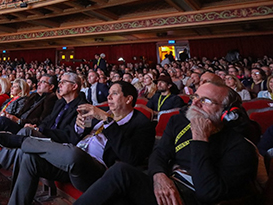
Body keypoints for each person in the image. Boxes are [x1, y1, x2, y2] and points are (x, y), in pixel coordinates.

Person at [74, 83, 259, 205]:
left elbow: (208, 193)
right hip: (165, 185)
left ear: (228, 112)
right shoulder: (179, 122)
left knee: (119, 178)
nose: (196, 104)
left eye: (206, 101)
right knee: (117, 186)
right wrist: (159, 175)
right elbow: (159, 154)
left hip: (189, 198)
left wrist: (200, 138)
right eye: (195, 98)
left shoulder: (241, 147)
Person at [3, 81, 155, 205]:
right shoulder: (99, 116)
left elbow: (131, 157)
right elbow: (72, 138)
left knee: (75, 154)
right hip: (70, 160)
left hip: (96, 171)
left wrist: (107, 120)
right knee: (31, 159)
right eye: (108, 93)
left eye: (114, 93)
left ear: (128, 99)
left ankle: (25, 141)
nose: (108, 97)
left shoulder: (141, 124)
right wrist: (78, 127)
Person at [0, 72, 83, 196]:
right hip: (30, 129)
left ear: (74, 86)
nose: (59, 85)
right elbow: (47, 121)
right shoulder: (54, 101)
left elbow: (67, 134)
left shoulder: (77, 105)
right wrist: (37, 127)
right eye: (59, 82)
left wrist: (36, 128)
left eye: (63, 82)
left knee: (13, 127)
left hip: (48, 139)